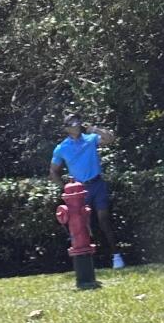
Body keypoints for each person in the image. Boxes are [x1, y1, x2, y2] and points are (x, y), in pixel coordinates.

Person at [49, 113, 125, 269]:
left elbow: (110, 138)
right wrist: (66, 188)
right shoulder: (62, 148)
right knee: (82, 225)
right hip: (79, 190)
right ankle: (89, 260)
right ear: (66, 128)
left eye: (77, 121)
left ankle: (116, 256)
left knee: (103, 220)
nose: (75, 124)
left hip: (97, 184)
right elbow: (53, 171)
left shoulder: (90, 139)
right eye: (71, 122)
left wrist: (94, 129)